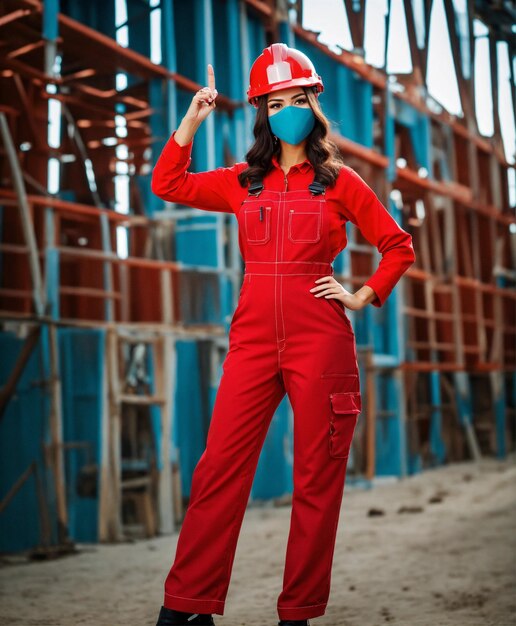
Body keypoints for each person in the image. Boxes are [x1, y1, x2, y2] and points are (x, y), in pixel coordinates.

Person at [151, 43, 416, 626]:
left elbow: (398, 246)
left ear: (313, 104)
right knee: (219, 467)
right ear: (262, 112)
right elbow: (167, 184)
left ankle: (296, 613)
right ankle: (187, 607)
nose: (288, 110)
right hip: (251, 338)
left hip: (319, 339)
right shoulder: (242, 182)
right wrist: (193, 117)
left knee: (315, 478)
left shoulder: (341, 183)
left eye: (298, 99)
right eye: (276, 103)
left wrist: (361, 295)